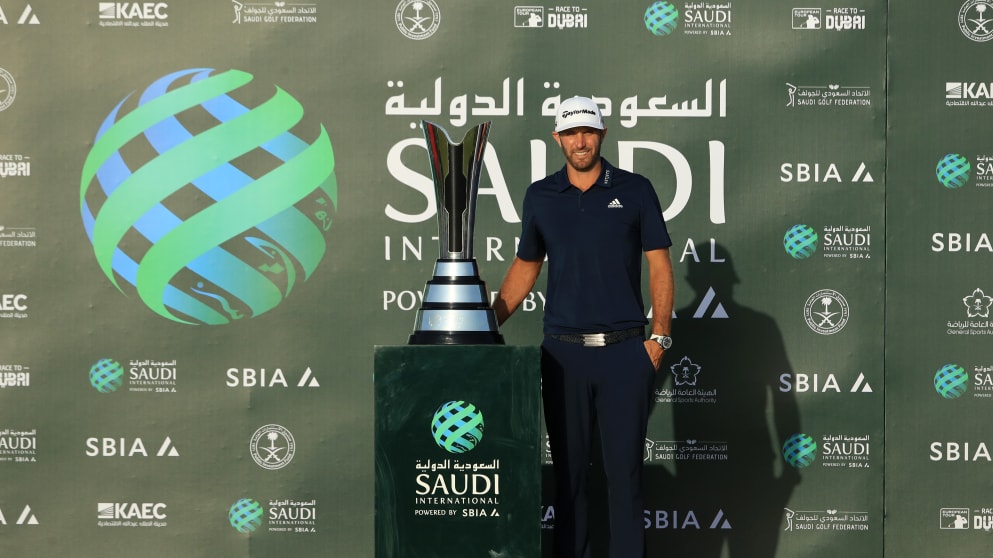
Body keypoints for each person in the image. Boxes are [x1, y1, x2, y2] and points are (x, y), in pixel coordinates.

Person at [493, 96, 675, 558]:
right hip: (562, 355)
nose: (580, 141)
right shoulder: (540, 195)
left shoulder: (635, 190)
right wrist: (487, 322)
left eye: (589, 132)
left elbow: (659, 266)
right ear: (558, 139)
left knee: (625, 480)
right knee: (568, 480)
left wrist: (659, 337)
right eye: (571, 133)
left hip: (624, 354)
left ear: (603, 135)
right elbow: (526, 266)